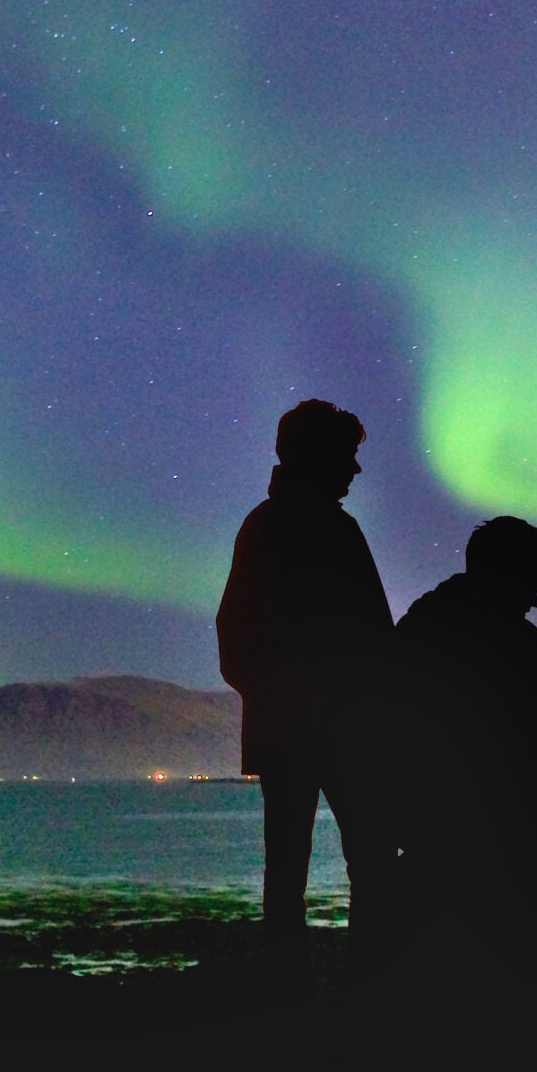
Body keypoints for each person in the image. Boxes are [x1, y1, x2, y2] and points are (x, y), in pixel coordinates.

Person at [215, 400, 396, 968]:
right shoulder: (326, 530)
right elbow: (375, 635)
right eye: (347, 456)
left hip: (293, 729)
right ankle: (364, 983)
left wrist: (270, 699)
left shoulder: (266, 525)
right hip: (339, 728)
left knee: (290, 863)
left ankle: (289, 984)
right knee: (369, 855)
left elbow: (233, 634)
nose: (355, 470)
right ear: (321, 457)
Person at [393, 515, 537, 979]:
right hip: (521, 853)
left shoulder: (412, 637)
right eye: (532, 581)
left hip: (429, 847)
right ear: (513, 575)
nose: (536, 598)